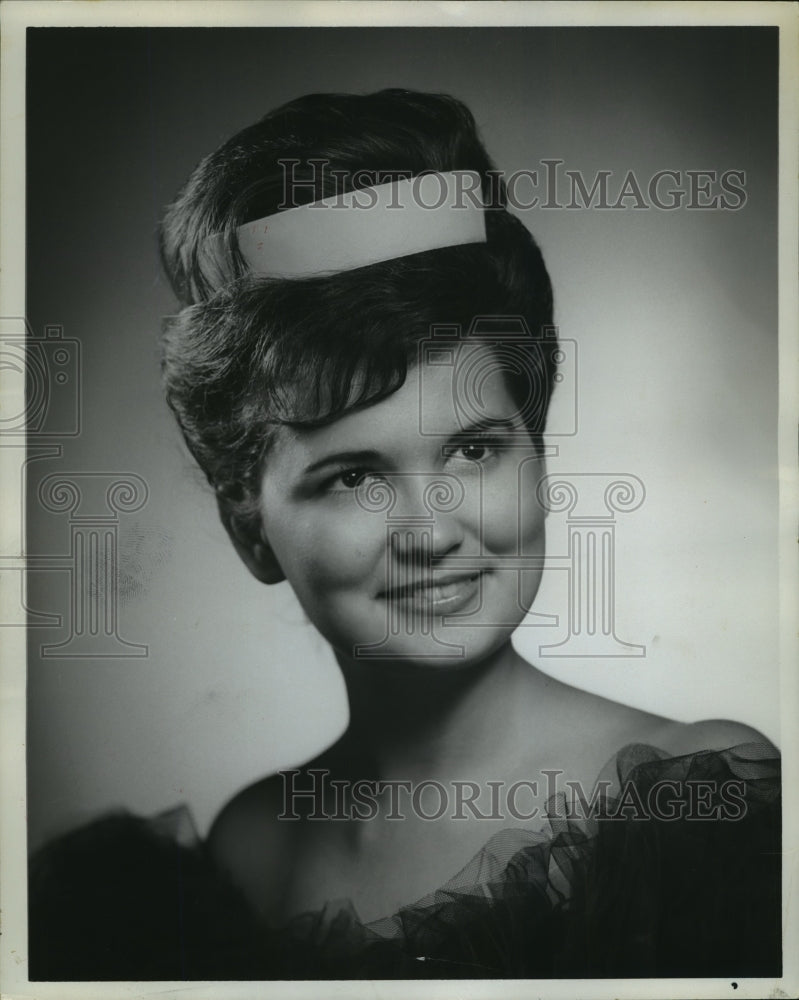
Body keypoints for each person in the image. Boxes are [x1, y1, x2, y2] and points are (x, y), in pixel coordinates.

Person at [28, 89, 781, 981]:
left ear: (535, 456)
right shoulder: (251, 851)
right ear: (250, 528)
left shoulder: (698, 805)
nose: (430, 532)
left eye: (472, 449)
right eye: (354, 476)